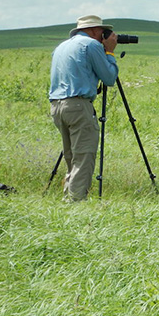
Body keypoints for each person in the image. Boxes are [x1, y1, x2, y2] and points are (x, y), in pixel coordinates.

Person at [49, 15, 119, 201]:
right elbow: (109, 78)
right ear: (96, 30)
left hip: (57, 106)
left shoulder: (61, 47)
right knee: (84, 156)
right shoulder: (91, 45)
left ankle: (69, 197)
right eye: (103, 32)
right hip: (78, 105)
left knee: (72, 156)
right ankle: (76, 202)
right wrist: (110, 53)